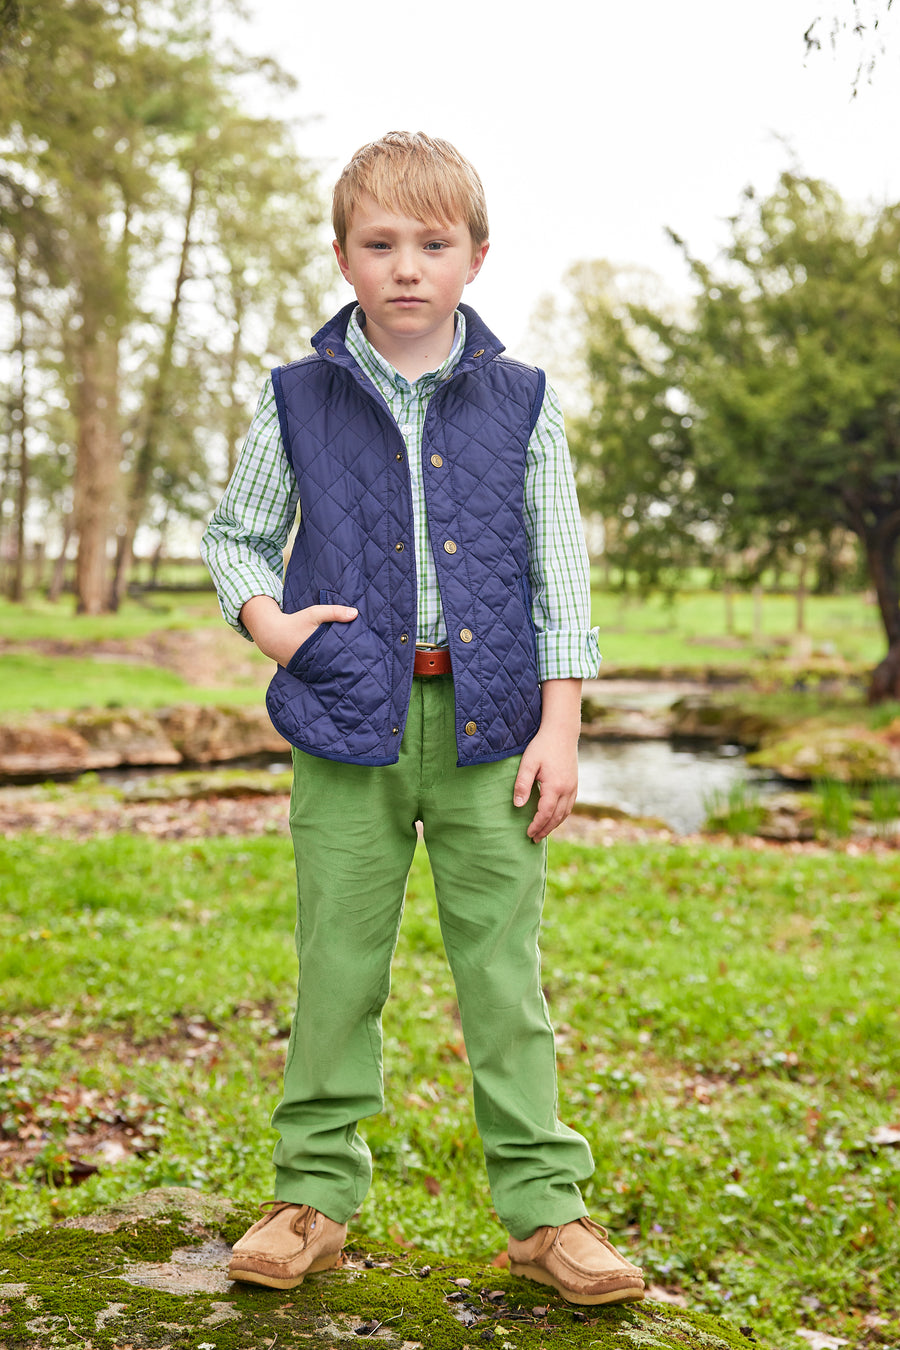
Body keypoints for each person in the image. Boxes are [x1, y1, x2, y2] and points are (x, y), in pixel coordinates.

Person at [201, 130, 644, 1307]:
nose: (406, 266)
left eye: (432, 244)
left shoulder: (523, 400)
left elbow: (560, 573)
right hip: (349, 721)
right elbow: (235, 534)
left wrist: (562, 728)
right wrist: (275, 625)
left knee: (504, 973)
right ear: (344, 257)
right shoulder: (295, 394)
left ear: (475, 258)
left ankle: (547, 1215)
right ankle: (312, 1197)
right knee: (339, 963)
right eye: (380, 243)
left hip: (493, 728)